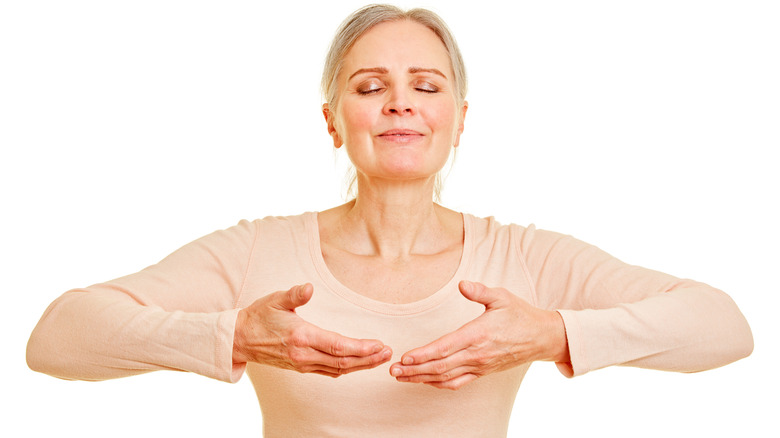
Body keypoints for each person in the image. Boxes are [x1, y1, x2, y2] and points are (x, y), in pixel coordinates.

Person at [26, 4, 753, 437]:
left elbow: (723, 326)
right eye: (371, 86)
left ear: (458, 121)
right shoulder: (257, 252)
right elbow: (57, 338)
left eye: (426, 86)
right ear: (334, 121)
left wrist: (552, 332)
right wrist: (231, 334)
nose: (400, 103)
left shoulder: (524, 259)